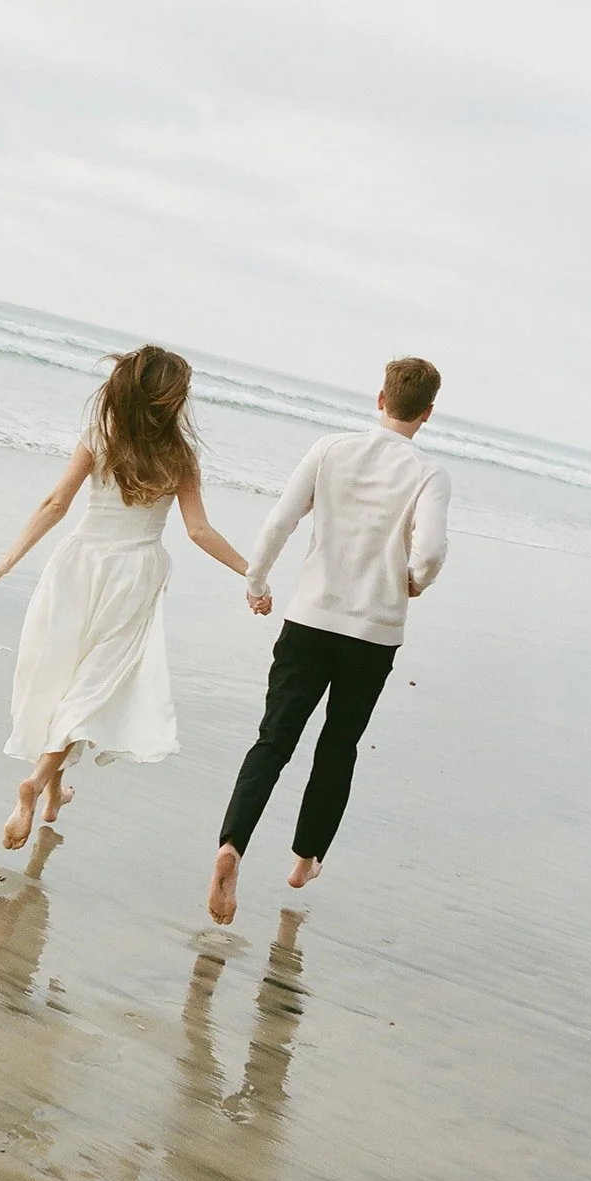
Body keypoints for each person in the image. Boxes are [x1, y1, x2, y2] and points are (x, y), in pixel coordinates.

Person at [0, 345, 260, 851]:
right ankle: (40, 782)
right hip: (134, 573)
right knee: (93, 685)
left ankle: (54, 790)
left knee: (64, 674)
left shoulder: (99, 438)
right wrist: (251, 573)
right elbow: (198, 530)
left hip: (78, 564)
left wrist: (6, 562)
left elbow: (55, 503)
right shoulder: (180, 457)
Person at [207, 357, 450, 925]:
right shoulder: (430, 474)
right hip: (374, 634)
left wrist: (257, 579)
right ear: (428, 413)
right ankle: (304, 857)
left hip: (310, 620)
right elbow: (432, 551)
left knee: (273, 740)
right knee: (338, 744)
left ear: (380, 398)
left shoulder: (330, 449)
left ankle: (233, 845)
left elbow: (280, 521)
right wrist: (413, 580)